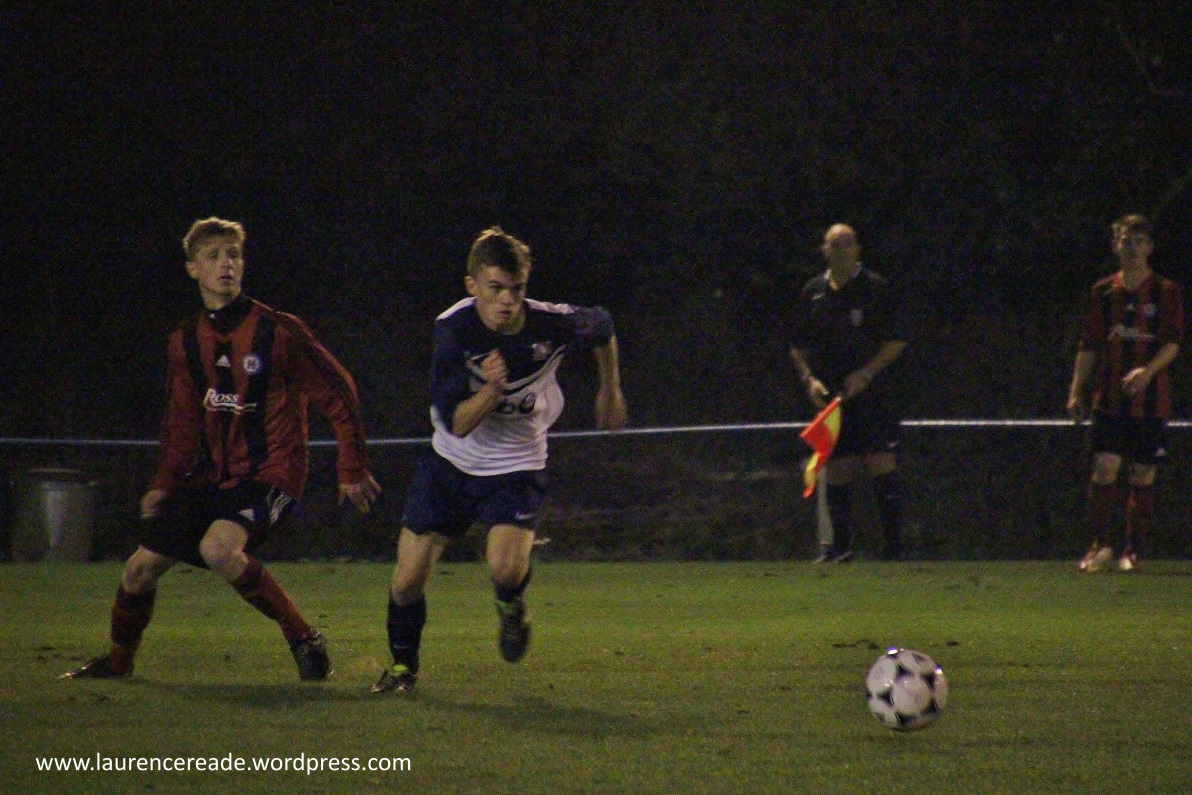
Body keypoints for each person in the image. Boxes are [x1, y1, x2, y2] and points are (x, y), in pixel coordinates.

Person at [63, 217, 380, 681]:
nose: (226, 264)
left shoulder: (279, 331)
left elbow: (339, 391)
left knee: (217, 549)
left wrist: (351, 466)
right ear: (192, 269)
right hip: (213, 478)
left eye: (233, 254)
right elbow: (182, 423)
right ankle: (119, 664)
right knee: (138, 570)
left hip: (271, 473)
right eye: (212, 256)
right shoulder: (185, 342)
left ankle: (303, 636)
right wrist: (164, 483)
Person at [373, 226, 627, 694]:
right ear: (472, 286)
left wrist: (609, 390)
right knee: (407, 581)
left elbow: (604, 327)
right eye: (495, 289)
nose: (507, 301)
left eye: (516, 288)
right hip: (451, 462)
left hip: (518, 463)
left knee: (506, 570)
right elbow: (457, 423)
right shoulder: (453, 329)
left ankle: (511, 608)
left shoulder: (551, 323)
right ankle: (403, 669)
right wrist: (492, 389)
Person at [1068, 213, 1183, 572]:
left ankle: (1131, 550)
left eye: (1139, 241)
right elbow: (1089, 344)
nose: (1132, 248)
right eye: (1126, 241)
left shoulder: (1165, 291)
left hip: (1152, 399)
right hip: (1110, 397)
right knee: (1105, 466)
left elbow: (1173, 342)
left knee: (1142, 473)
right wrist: (1076, 391)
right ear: (1115, 246)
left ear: (1149, 247)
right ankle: (1100, 545)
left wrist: (1147, 372)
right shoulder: (1103, 291)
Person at [789, 223, 909, 562]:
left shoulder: (875, 288)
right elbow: (797, 345)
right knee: (837, 466)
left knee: (880, 461)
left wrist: (867, 372)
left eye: (846, 243)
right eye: (834, 244)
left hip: (872, 393)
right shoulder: (813, 291)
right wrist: (809, 379)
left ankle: (893, 550)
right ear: (824, 250)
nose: (841, 249)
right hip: (831, 397)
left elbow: (897, 339)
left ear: (857, 249)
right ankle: (840, 548)